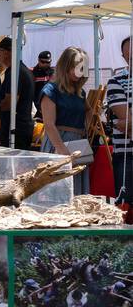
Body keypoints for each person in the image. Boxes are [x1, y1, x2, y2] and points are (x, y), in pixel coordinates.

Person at [39, 46, 92, 195]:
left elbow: (88, 111)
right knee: (57, 194)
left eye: (83, 69)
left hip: (77, 145)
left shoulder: (80, 91)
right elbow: (49, 125)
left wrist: (85, 129)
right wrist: (62, 150)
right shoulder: (51, 90)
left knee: (76, 194)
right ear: (66, 65)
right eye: (77, 68)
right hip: (58, 144)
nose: (80, 72)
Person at [0, 37, 35, 150]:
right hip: (20, 127)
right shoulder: (20, 70)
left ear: (6, 52)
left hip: (16, 129)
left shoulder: (15, 72)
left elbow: (9, 103)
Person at [106, 36, 130, 204]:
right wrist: (126, 122)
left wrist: (127, 122)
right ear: (123, 56)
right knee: (125, 205)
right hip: (126, 155)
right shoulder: (115, 81)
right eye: (129, 57)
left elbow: (128, 122)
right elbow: (125, 119)